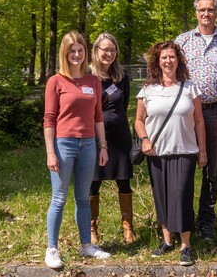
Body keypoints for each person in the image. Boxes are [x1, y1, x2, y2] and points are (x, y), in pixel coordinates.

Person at [134, 41, 207, 266]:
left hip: (184, 150)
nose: (168, 61)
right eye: (164, 57)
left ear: (179, 60)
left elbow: (199, 121)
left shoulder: (190, 87)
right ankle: (167, 240)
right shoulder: (147, 90)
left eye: (172, 57)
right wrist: (144, 139)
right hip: (156, 153)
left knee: (181, 194)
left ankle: (186, 244)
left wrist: (202, 151)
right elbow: (138, 120)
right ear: (157, 61)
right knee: (162, 196)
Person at [43, 31, 111, 269]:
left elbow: (98, 116)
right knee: (59, 198)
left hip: (89, 144)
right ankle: (52, 248)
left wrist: (103, 146)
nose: (76, 54)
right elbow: (49, 119)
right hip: (64, 144)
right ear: (65, 53)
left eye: (80, 50)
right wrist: (51, 152)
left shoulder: (93, 81)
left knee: (83, 198)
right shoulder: (56, 81)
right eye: (71, 50)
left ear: (85, 52)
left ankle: (86, 245)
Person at [175, 0, 217, 241]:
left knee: (211, 169)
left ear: (216, 13)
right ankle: (183, 220)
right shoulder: (182, 42)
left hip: (215, 111)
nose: (206, 14)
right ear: (196, 13)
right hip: (186, 112)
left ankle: (206, 222)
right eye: (202, 10)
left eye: (211, 10)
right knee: (185, 167)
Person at [89, 32, 136, 245]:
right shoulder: (87, 77)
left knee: (123, 180)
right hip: (93, 135)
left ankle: (128, 227)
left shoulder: (123, 77)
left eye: (112, 49)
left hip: (119, 135)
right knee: (93, 181)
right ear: (96, 51)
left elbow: (123, 106)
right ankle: (92, 228)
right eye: (104, 49)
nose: (108, 53)